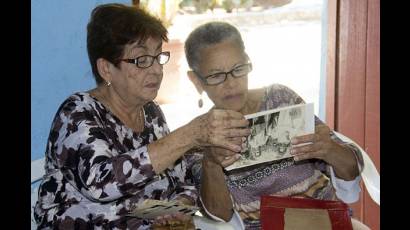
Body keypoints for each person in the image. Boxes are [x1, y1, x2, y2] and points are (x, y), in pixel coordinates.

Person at [33, 5, 250, 229]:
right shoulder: (77, 113)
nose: (156, 69)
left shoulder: (151, 112)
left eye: (157, 56)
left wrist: (176, 209)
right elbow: (102, 182)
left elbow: (181, 183)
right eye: (142, 60)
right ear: (106, 69)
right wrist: (189, 134)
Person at [184, 21, 369, 229]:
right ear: (196, 81)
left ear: (248, 62)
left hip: (323, 219)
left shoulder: (281, 100)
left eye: (238, 69)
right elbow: (218, 215)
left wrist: (329, 149)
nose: (231, 83)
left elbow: (350, 170)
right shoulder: (201, 136)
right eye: (216, 76)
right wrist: (211, 163)